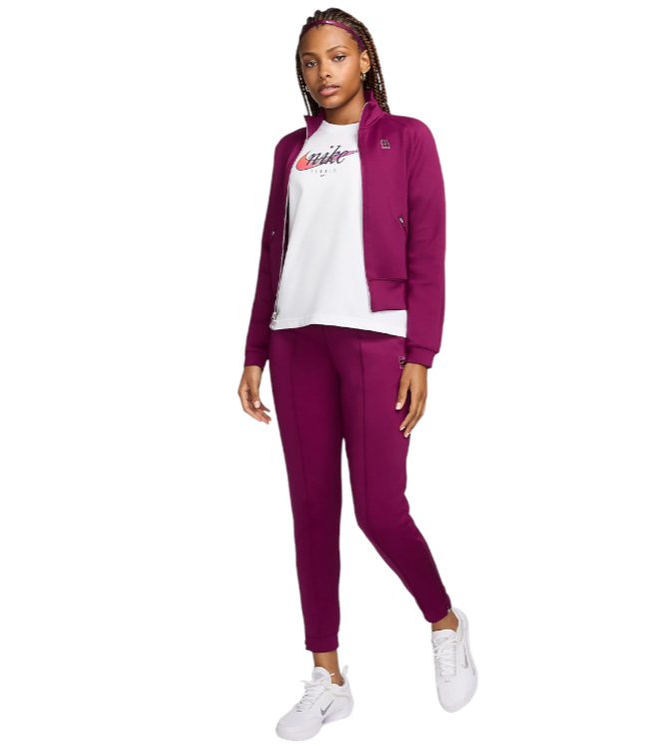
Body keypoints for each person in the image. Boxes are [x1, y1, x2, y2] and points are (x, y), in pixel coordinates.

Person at [238, 10, 478, 740]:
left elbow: (429, 250)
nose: (324, 73)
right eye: (311, 62)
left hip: (376, 340)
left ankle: (444, 621)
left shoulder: (407, 138)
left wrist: (421, 354)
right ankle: (328, 676)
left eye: (338, 56)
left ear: (365, 59)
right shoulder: (291, 151)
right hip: (295, 342)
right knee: (312, 511)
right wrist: (253, 351)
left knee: (379, 510)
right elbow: (272, 252)